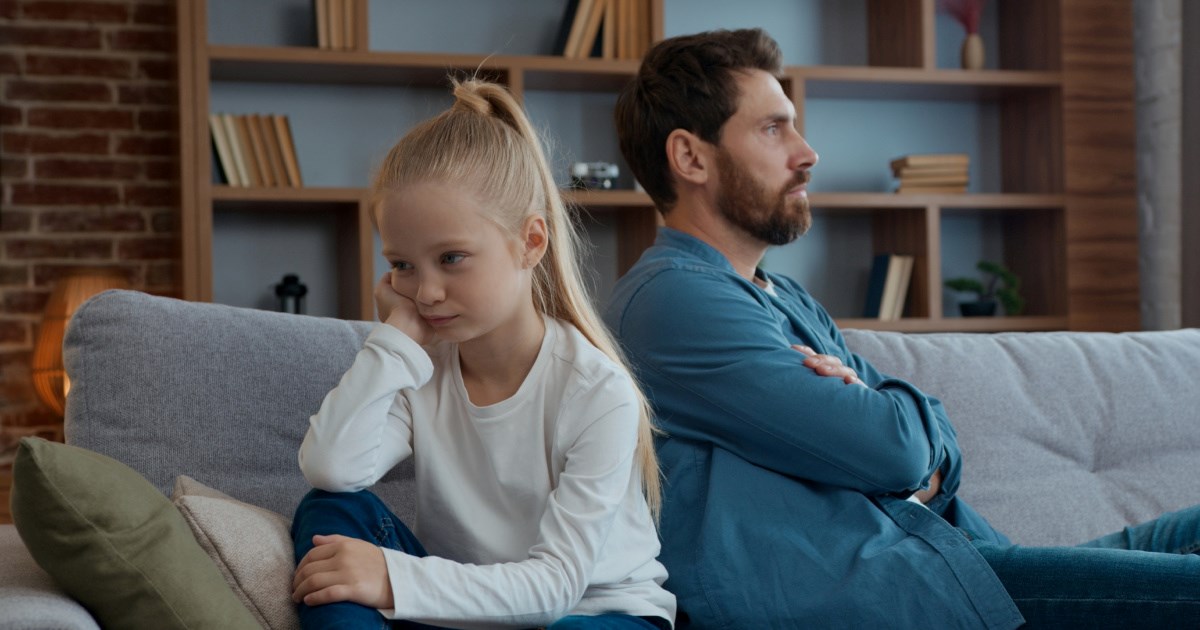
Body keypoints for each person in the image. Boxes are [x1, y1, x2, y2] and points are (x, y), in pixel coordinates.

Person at [605, 28, 1200, 629]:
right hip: (907, 595)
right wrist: (888, 430)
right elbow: (897, 450)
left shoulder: (784, 297)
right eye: (772, 128)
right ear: (690, 157)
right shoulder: (675, 303)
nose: (807, 152)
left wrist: (883, 421)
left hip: (968, 563)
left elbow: (925, 450)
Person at [290, 78, 675, 630]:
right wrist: (398, 340)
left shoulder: (596, 390)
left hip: (592, 612)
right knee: (329, 511)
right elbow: (330, 466)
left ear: (531, 243)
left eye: (451, 258)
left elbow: (555, 587)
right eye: (403, 265)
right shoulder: (421, 366)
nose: (425, 293)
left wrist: (392, 579)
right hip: (469, 606)